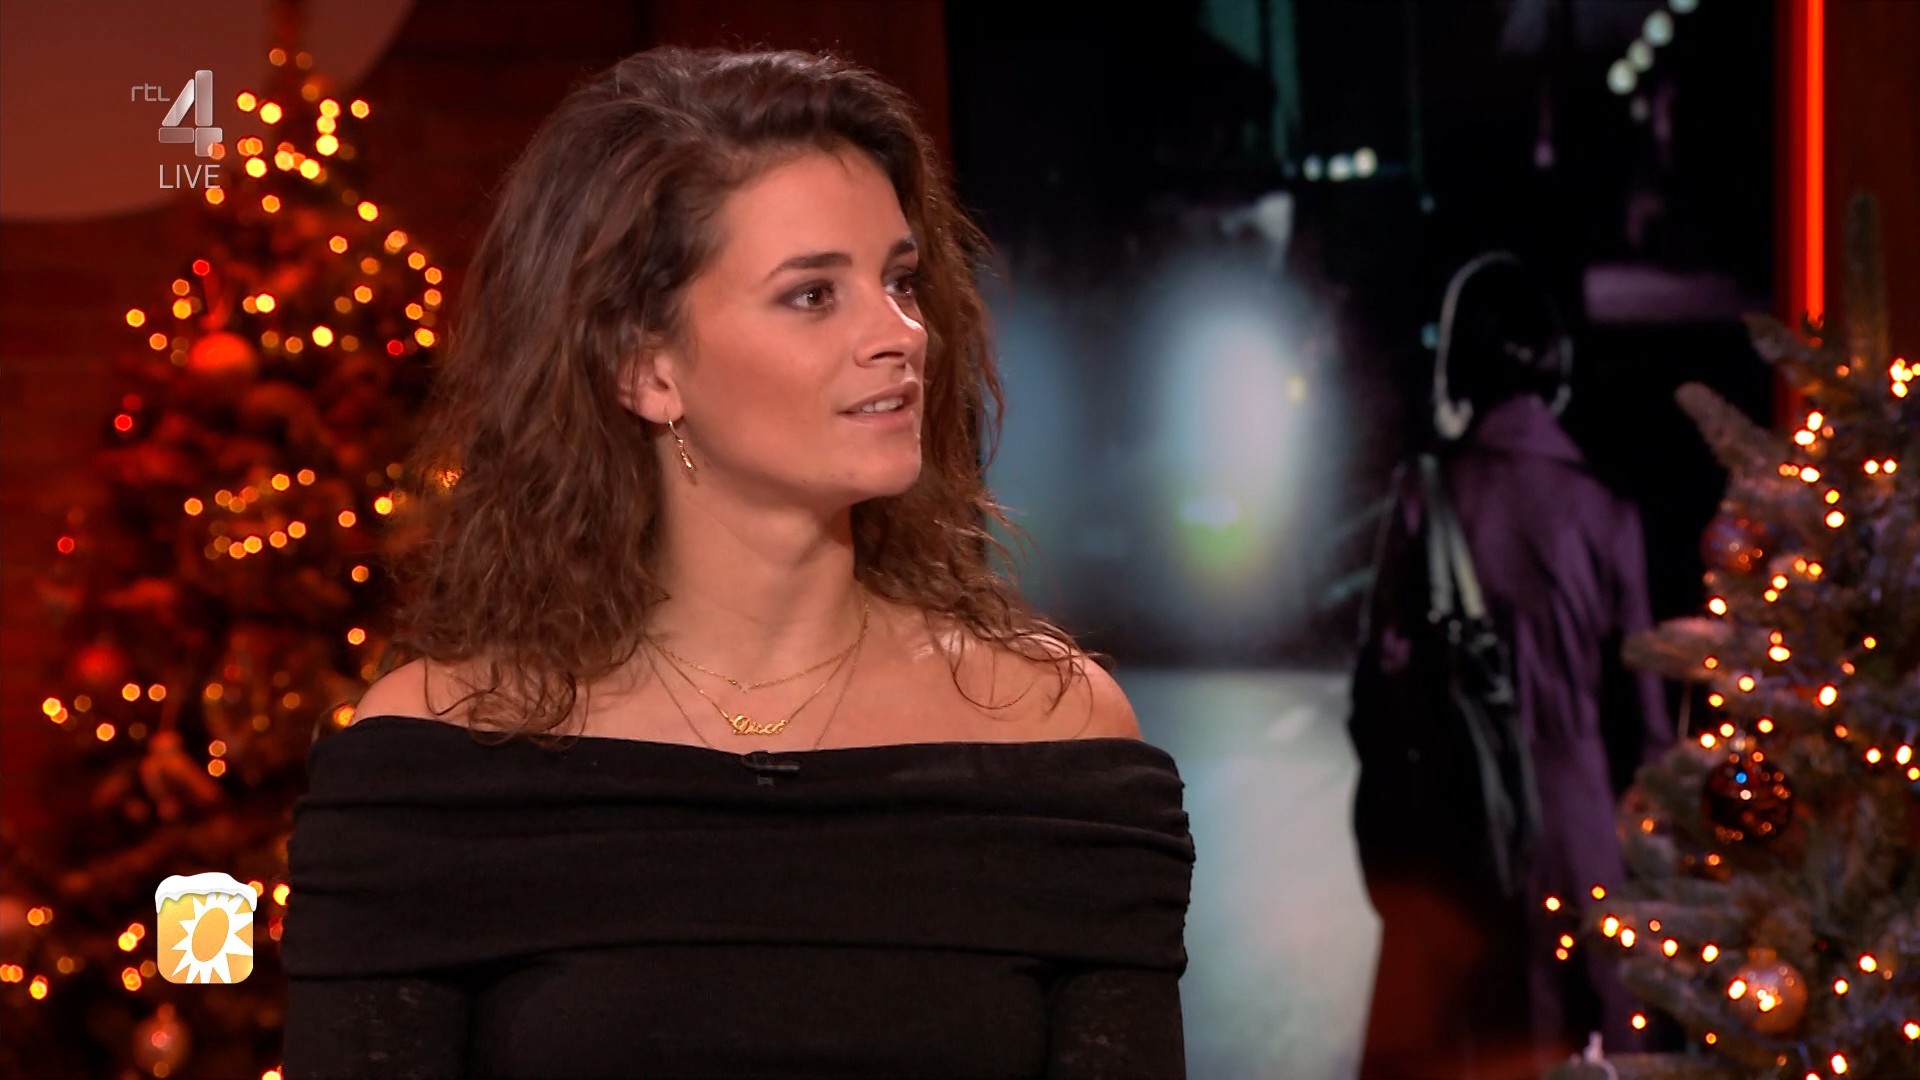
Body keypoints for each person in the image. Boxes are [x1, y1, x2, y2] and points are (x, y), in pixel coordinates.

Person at [280, 46, 1195, 1079]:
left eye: (900, 281)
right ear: (645, 366)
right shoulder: (439, 755)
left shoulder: (1055, 736)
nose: (901, 334)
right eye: (813, 294)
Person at [1348, 253, 1673, 1079]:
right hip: (1580, 836)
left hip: (1456, 842)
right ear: (1554, 361)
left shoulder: (1424, 495)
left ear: (1459, 361)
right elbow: (1649, 731)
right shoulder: (1605, 510)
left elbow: (1373, 700)